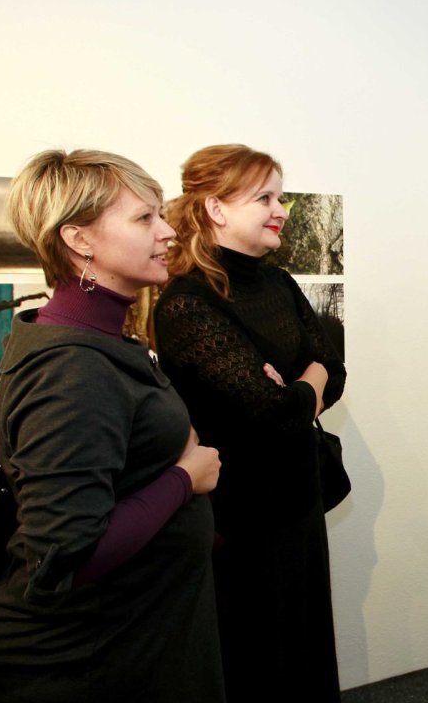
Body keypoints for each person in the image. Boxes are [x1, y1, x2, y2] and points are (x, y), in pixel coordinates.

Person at [0, 150, 224, 702]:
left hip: (127, 638)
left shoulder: (96, 341)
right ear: (79, 239)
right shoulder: (72, 368)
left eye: (161, 214)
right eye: (144, 218)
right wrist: (186, 477)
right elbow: (70, 553)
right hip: (80, 663)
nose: (167, 232)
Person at [154, 144, 346, 703]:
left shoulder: (279, 283)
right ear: (216, 208)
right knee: (258, 661)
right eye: (265, 198)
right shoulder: (187, 303)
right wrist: (304, 386)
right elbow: (275, 412)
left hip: (300, 497)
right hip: (241, 519)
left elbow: (333, 368)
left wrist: (296, 388)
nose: (281, 210)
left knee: (306, 648)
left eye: (279, 197)